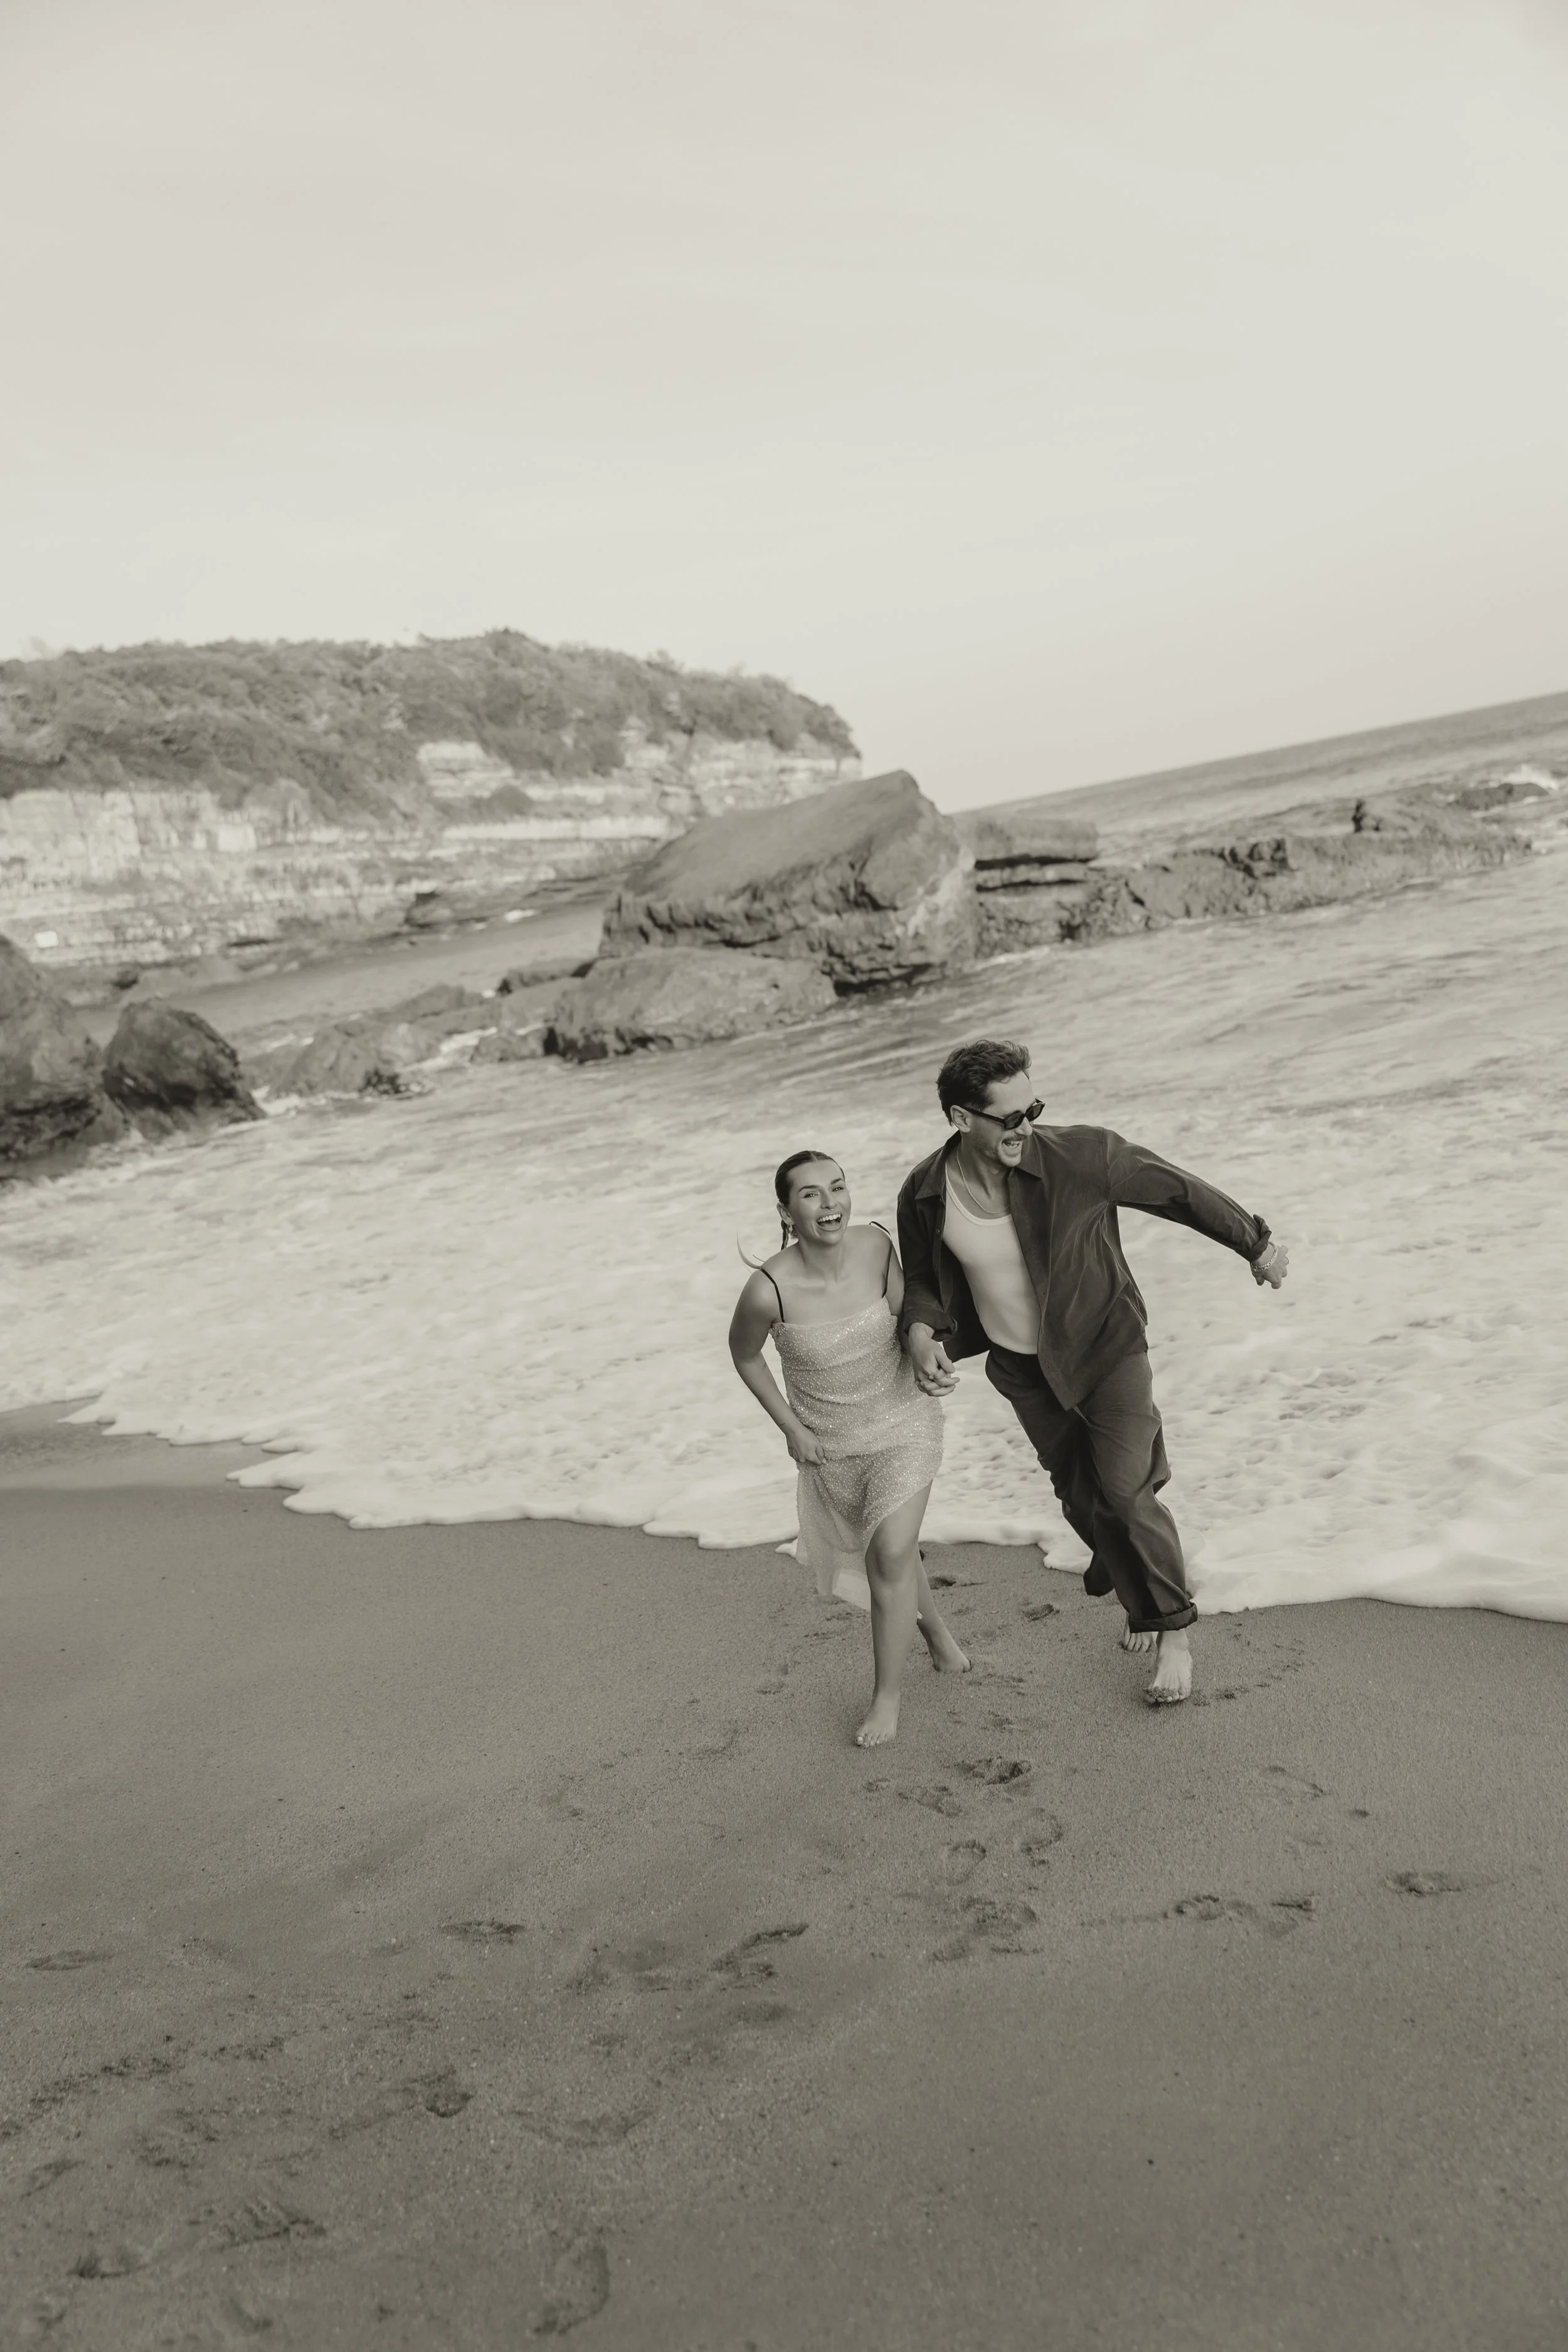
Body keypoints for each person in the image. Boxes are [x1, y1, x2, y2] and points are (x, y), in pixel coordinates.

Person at [896, 1041, 1289, 1705]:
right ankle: (1136, 1578)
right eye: (1010, 1118)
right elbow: (923, 1280)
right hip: (1021, 1368)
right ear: (962, 1119)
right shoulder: (927, 1190)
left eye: (1034, 1109)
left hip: (1106, 1346)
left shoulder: (1082, 1155)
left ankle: (1170, 1629)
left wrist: (1255, 1243)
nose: (1027, 1127)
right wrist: (918, 1330)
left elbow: (1178, 1190)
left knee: (1126, 1492)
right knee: (1084, 1501)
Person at [728, 1150, 971, 1747]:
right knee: (896, 1548)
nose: (830, 1203)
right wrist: (791, 1428)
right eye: (811, 1194)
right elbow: (744, 1355)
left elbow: (910, 1317)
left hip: (902, 1418)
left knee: (887, 1550)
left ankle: (886, 1698)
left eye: (838, 1188)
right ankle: (938, 1635)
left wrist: (924, 1350)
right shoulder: (767, 1290)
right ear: (786, 1210)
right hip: (830, 1444)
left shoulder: (877, 1246)